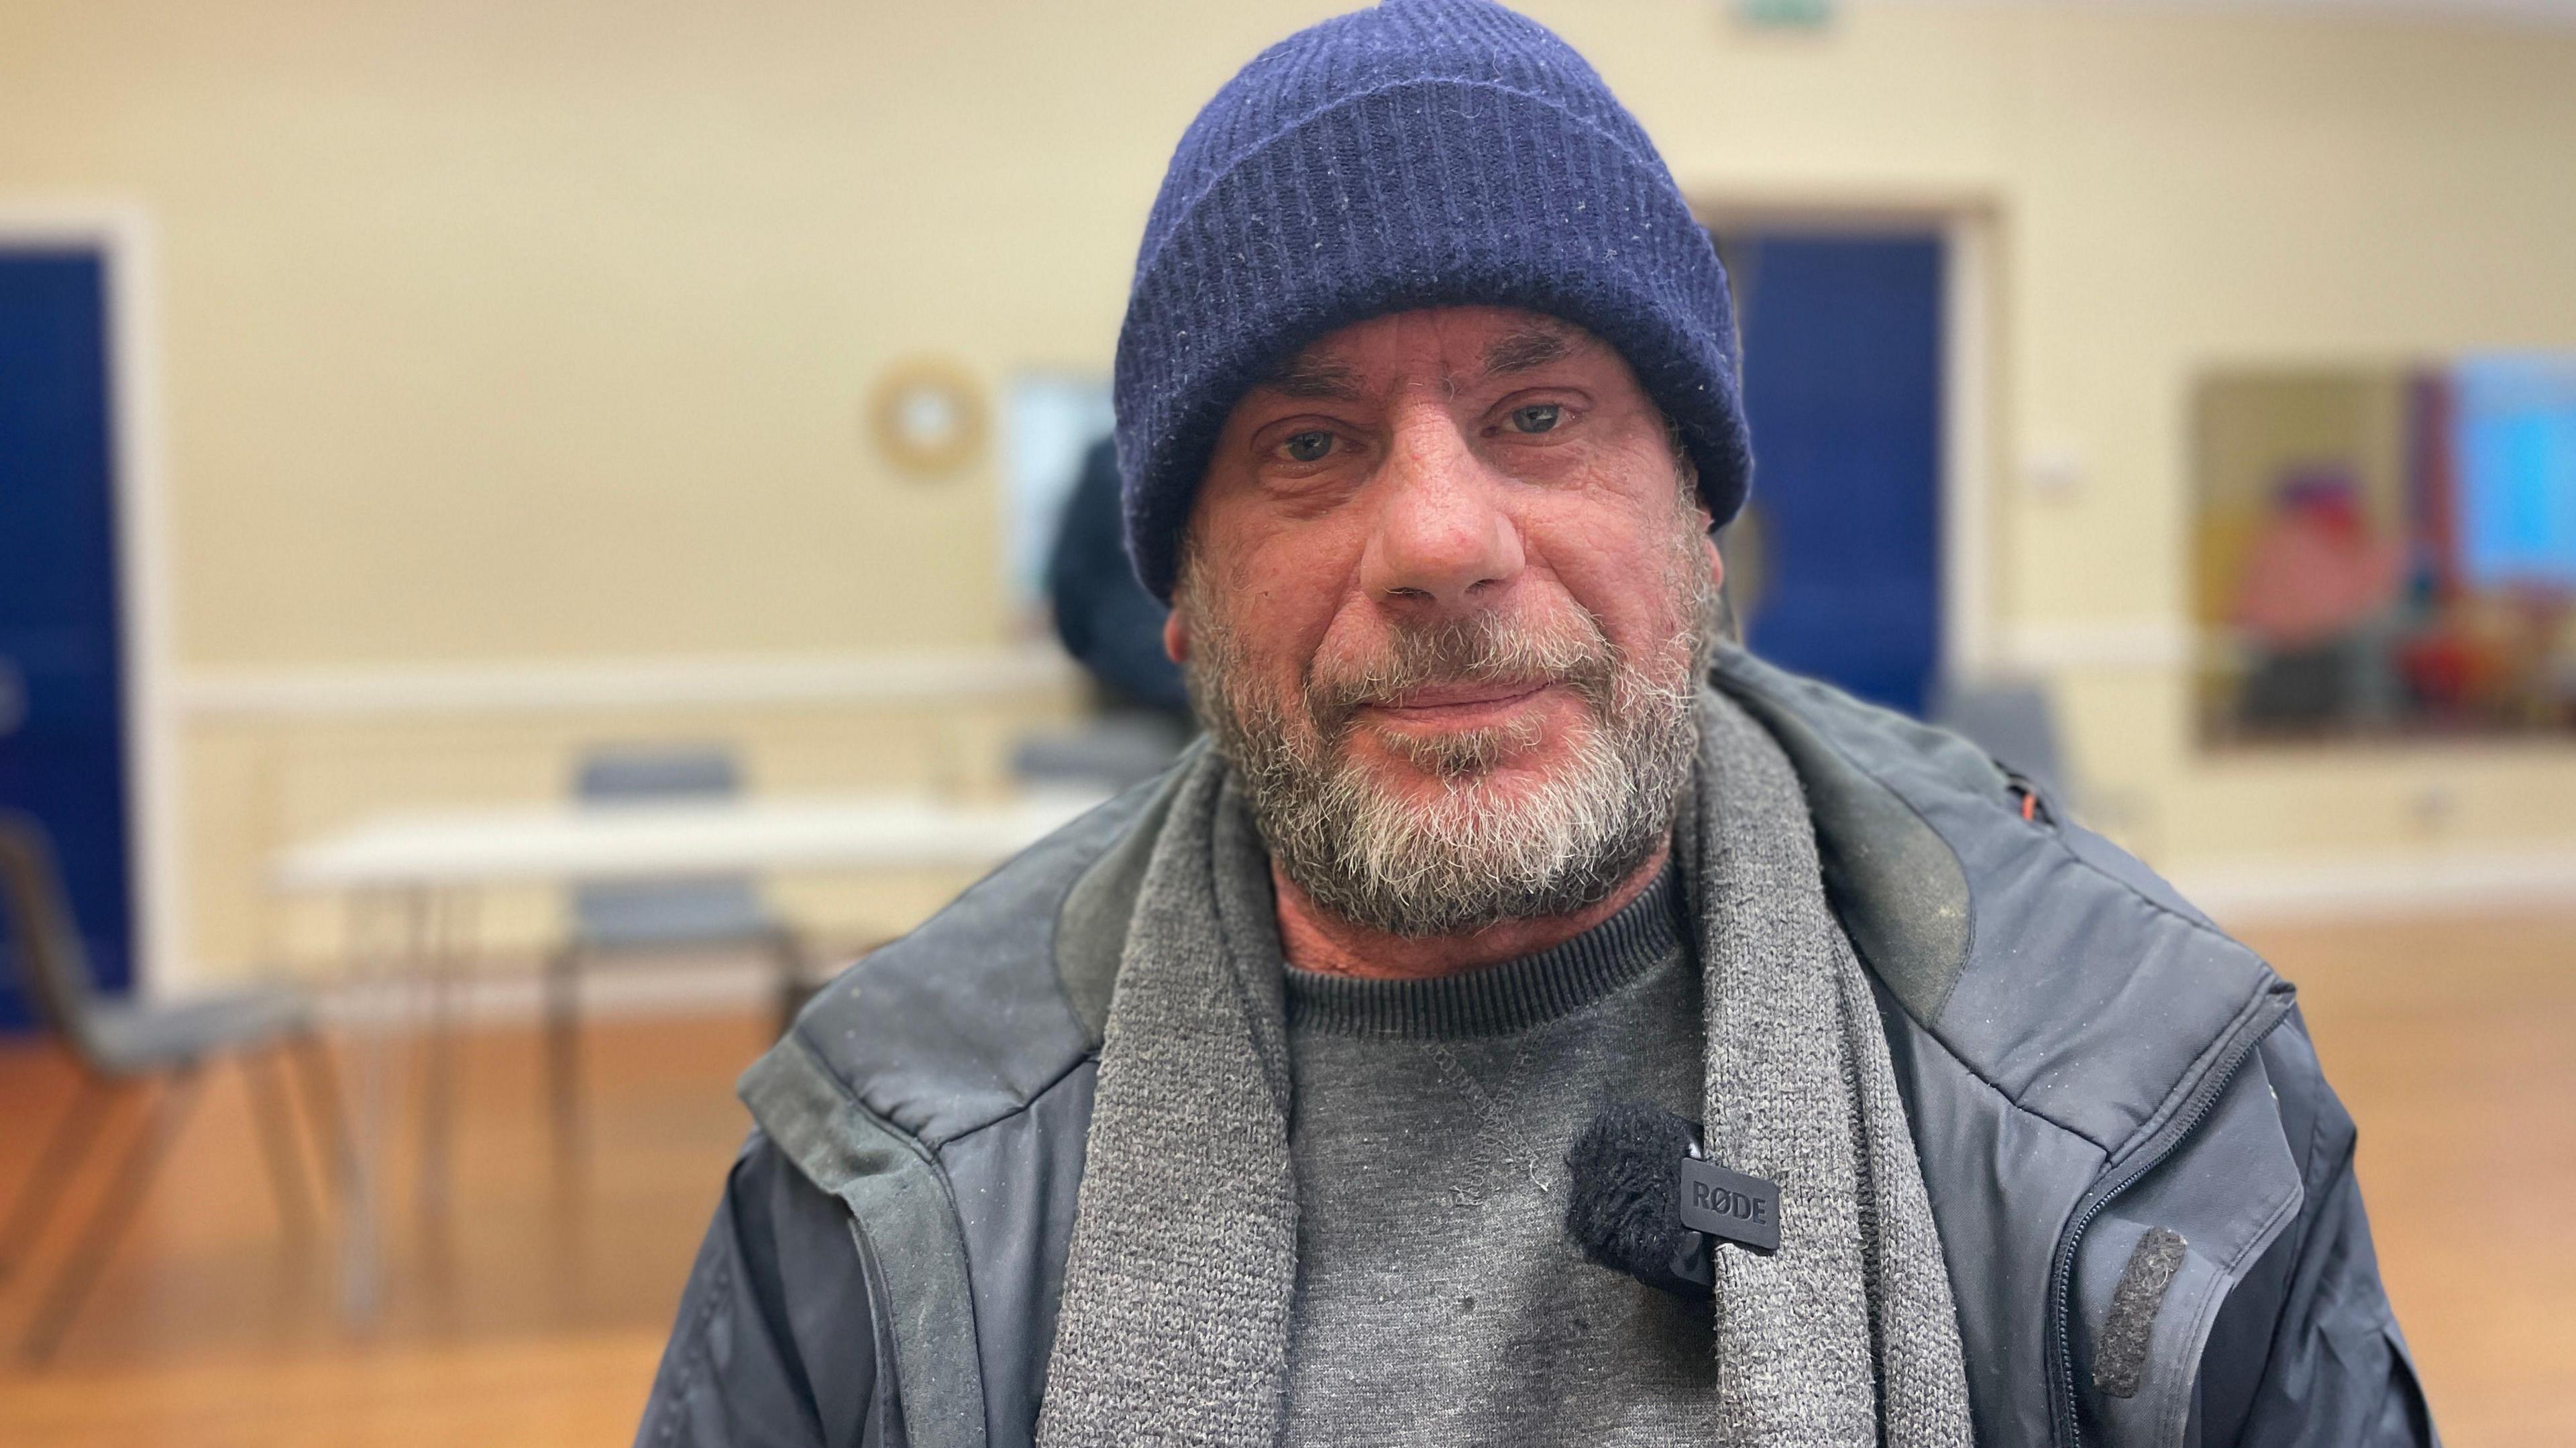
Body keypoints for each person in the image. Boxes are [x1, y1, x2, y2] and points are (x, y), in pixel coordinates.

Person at [637, 3, 2433, 1444]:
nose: (1438, 541)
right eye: (1310, 446)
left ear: (1699, 523)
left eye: (1544, 414)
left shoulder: (2142, 1105)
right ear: (1180, 591)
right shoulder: (884, 1175)